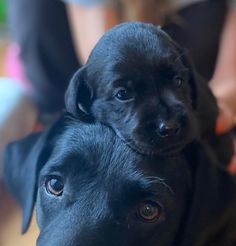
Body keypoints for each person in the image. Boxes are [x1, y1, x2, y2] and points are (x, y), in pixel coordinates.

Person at [1, 0, 236, 163]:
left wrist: (223, 98)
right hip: (79, 43)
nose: (167, 123)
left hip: (198, 47)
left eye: (176, 81)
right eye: (125, 93)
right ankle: (54, 119)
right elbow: (107, 59)